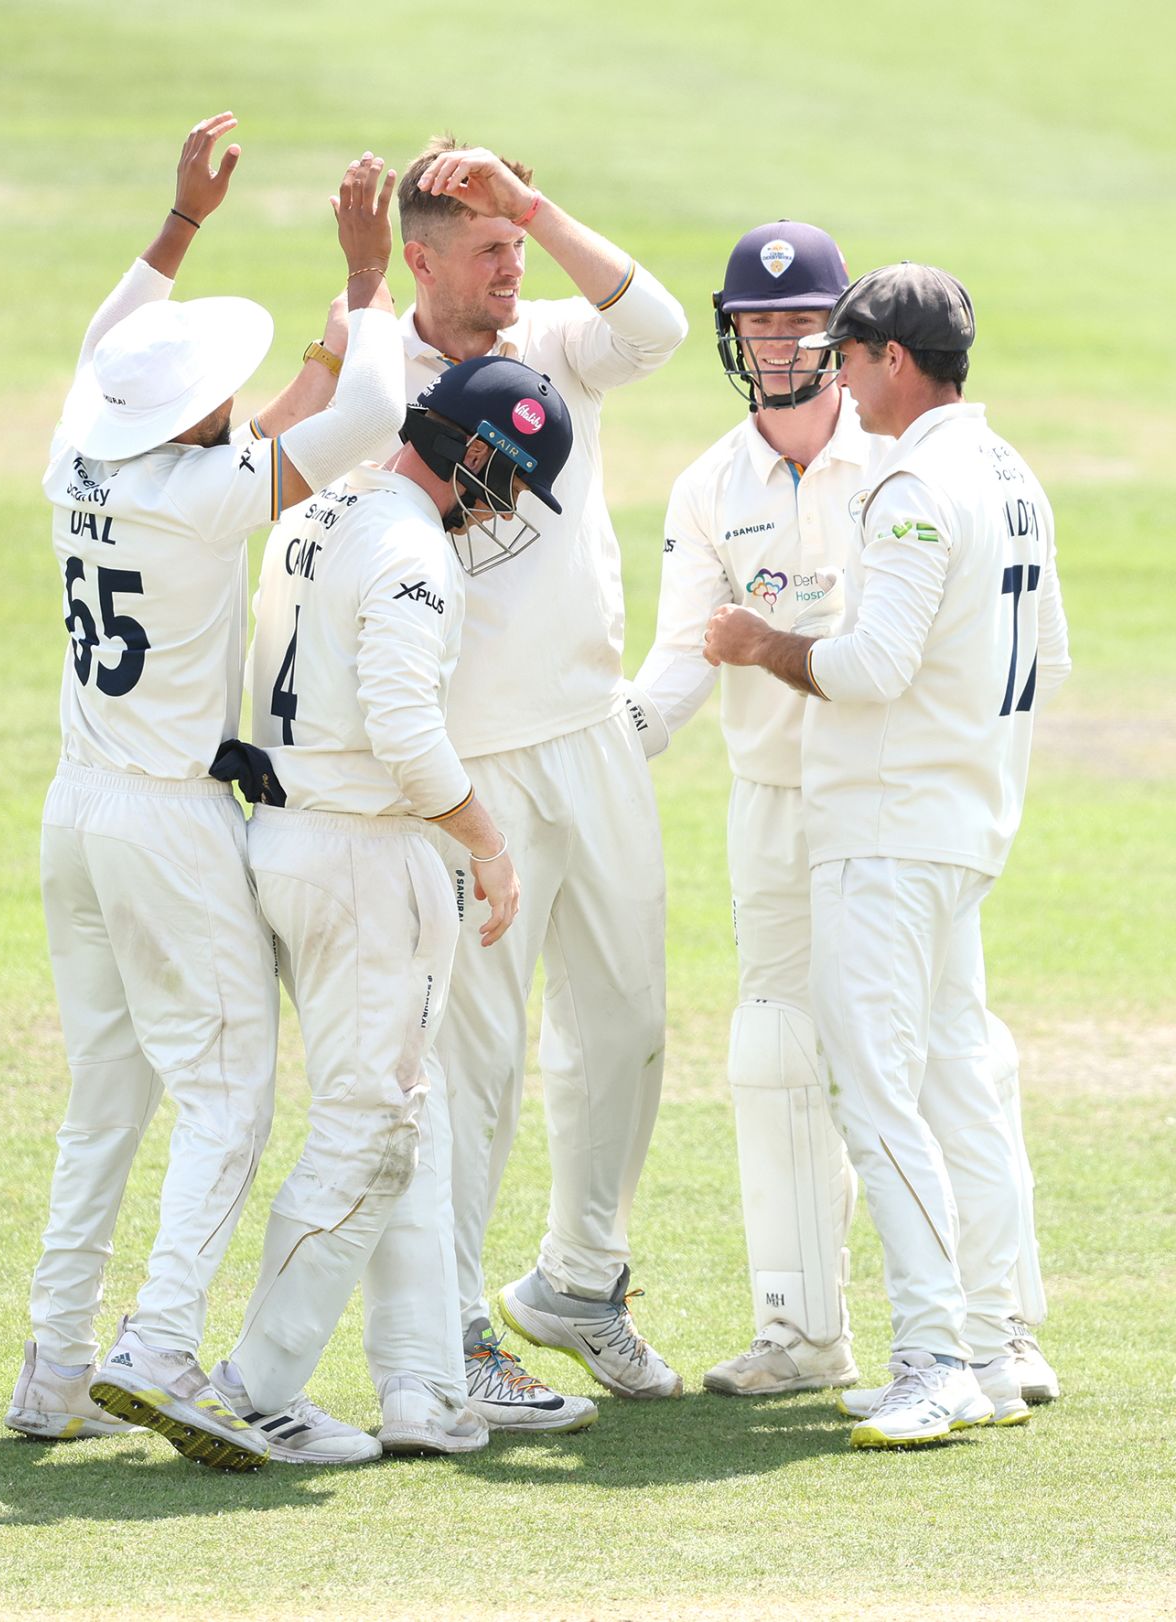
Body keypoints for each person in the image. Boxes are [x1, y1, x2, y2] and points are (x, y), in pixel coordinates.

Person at [5, 114, 407, 1472]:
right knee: (230, 1092)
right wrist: (365, 285)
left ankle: (55, 1366)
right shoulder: (203, 496)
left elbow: (115, 359)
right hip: (170, 822)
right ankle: (160, 1344)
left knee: (109, 1091)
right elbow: (368, 421)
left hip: (75, 810)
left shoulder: (84, 460)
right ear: (192, 415)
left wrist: (179, 224)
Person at [636, 224, 1061, 1414]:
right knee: (808, 1060)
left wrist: (761, 645)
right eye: (764, 326)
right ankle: (829, 1329)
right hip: (867, 806)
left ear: (876, 356)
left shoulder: (906, 475)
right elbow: (1045, 657)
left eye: (825, 336)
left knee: (911, 1081)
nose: (794, 349)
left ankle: (966, 1345)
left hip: (882, 814)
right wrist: (614, 744)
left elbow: (869, 667)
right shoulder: (1001, 473)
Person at [302, 137, 689, 1423]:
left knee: (626, 1025)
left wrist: (535, 200)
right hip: (474, 765)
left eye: (515, 241)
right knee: (473, 1059)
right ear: (423, 258)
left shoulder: (557, 342)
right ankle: (460, 1329)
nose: (510, 261)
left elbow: (659, 325)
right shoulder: (378, 376)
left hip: (594, 729)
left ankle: (580, 1280)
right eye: (485, 244)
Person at [203, 356, 575, 1458]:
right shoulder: (414, 552)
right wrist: (491, 848)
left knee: (401, 1113)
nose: (501, 509)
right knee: (371, 1126)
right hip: (366, 853)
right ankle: (256, 1381)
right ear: (469, 451)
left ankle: (418, 1386)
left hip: (283, 832)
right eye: (504, 481)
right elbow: (407, 735)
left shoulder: (317, 508)